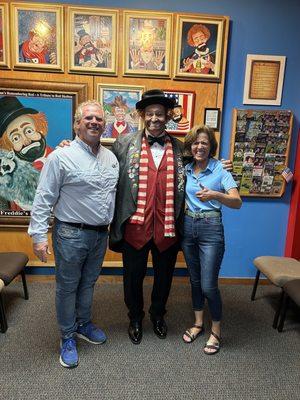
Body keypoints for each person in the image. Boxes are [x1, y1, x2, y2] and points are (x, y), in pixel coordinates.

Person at [28, 100, 119, 368]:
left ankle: (82, 323)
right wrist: (38, 236)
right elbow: (44, 197)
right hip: (70, 234)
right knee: (67, 287)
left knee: (88, 283)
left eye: (99, 119)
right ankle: (67, 336)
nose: (94, 122)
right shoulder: (60, 156)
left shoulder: (110, 158)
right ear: (77, 124)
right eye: (88, 118)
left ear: (105, 125)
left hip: (100, 235)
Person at [109, 89, 186, 344]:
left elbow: (201, 167)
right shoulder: (123, 143)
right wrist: (70, 144)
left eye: (160, 114)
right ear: (143, 116)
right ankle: (134, 317)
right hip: (136, 225)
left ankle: (157, 314)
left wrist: (222, 166)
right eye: (150, 114)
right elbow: (103, 163)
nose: (155, 119)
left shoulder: (180, 148)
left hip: (167, 226)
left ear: (167, 117)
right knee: (133, 277)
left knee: (164, 277)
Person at [181, 125, 242, 355]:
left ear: (211, 146)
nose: (199, 147)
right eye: (196, 143)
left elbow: (237, 202)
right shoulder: (186, 169)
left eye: (204, 143)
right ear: (191, 146)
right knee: (195, 281)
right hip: (188, 227)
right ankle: (198, 324)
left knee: (208, 284)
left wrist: (214, 194)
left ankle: (216, 330)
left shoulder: (221, 170)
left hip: (211, 228)